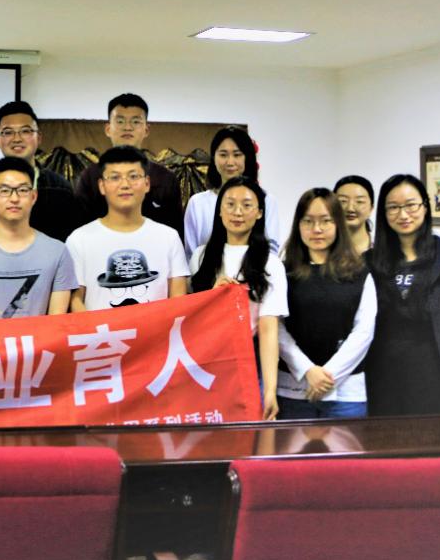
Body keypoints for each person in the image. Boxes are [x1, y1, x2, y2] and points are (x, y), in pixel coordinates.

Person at [365, 174, 440, 417]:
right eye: (393, 207)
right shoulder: (371, 261)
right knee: (387, 435)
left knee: (434, 435)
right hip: (383, 371)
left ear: (425, 207)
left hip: (438, 371)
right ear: (383, 213)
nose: (403, 214)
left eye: (411, 205)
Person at [189, 176, 287, 420]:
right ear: (219, 211)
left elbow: (268, 330)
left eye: (247, 205)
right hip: (204, 364)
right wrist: (214, 298)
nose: (238, 212)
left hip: (248, 363)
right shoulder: (200, 257)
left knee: (248, 435)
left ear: (259, 213)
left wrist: (270, 391)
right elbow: (189, 318)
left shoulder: (270, 263)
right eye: (230, 204)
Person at [277, 188, 375, 419]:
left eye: (325, 221)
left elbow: (364, 332)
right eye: (308, 221)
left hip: (346, 395)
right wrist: (307, 370)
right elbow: (276, 328)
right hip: (293, 391)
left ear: (338, 224)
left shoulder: (359, 272)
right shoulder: (283, 272)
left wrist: (327, 376)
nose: (317, 229)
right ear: (298, 225)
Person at [66, 146, 189, 312]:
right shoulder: (79, 239)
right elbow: (75, 300)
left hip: (157, 329)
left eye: (133, 176)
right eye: (115, 177)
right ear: (102, 185)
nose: (125, 184)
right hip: (100, 329)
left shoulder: (169, 237)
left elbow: (178, 301)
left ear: (147, 183)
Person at [0, 158, 77, 321]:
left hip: (40, 338)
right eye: (5, 190)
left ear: (33, 196)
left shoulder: (58, 251)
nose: (14, 198)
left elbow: (57, 322)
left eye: (23, 190)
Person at [0, 100, 80, 243]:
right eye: (8, 132)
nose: (17, 139)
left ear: (39, 138)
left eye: (25, 131)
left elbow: (69, 243)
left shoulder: (61, 188)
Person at [74, 94, 184, 238]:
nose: (127, 127)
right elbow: (80, 230)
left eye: (136, 121)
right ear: (108, 129)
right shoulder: (90, 177)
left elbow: (175, 233)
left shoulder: (165, 179)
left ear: (146, 130)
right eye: (120, 121)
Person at [182, 126, 281, 256]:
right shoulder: (197, 203)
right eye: (223, 155)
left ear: (247, 158)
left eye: (237, 155)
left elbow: (271, 252)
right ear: (214, 158)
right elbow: (190, 254)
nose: (230, 162)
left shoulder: (266, 200)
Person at [334, 174, 375, 256]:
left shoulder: (385, 249)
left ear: (371, 208)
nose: (350, 208)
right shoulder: (323, 249)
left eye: (359, 201)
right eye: (343, 201)